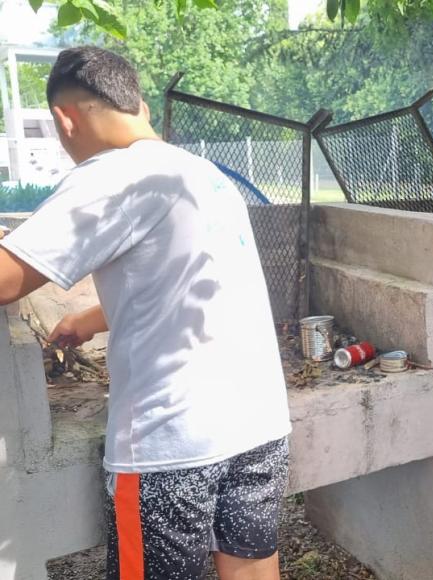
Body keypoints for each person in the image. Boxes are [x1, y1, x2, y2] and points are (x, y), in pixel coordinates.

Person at [0, 46, 291, 579]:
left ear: (64, 120)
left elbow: (5, 280)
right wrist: (85, 320)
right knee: (251, 572)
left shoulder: (110, 176)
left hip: (173, 445)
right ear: (143, 109)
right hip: (259, 425)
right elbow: (178, 279)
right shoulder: (205, 175)